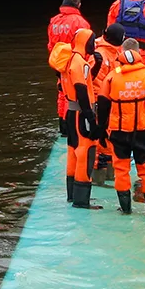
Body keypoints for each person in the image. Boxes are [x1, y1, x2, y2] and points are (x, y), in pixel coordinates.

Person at [96, 38, 145, 216]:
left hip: (119, 131)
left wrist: (102, 130)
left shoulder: (112, 77)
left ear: (120, 55)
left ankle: (125, 209)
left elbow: (103, 104)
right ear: (138, 55)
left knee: (121, 170)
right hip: (143, 130)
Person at [50, 29, 100, 209]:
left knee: (73, 150)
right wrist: (90, 117)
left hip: (71, 112)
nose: (93, 45)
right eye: (92, 41)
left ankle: (72, 195)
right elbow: (81, 89)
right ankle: (81, 200)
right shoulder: (80, 62)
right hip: (80, 113)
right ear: (85, 42)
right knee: (84, 153)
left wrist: (95, 68)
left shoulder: (69, 61)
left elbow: (67, 88)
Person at [48, 0, 91, 118]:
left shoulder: (54, 21)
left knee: (61, 92)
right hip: (74, 63)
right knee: (73, 95)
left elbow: (50, 44)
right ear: (79, 5)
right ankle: (71, 123)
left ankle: (62, 122)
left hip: (59, 63)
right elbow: (86, 46)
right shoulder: (81, 23)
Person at [90, 22, 125, 171]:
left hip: (110, 103)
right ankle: (99, 171)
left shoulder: (113, 52)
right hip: (101, 103)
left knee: (109, 139)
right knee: (101, 139)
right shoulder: (101, 56)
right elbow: (94, 83)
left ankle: (109, 168)